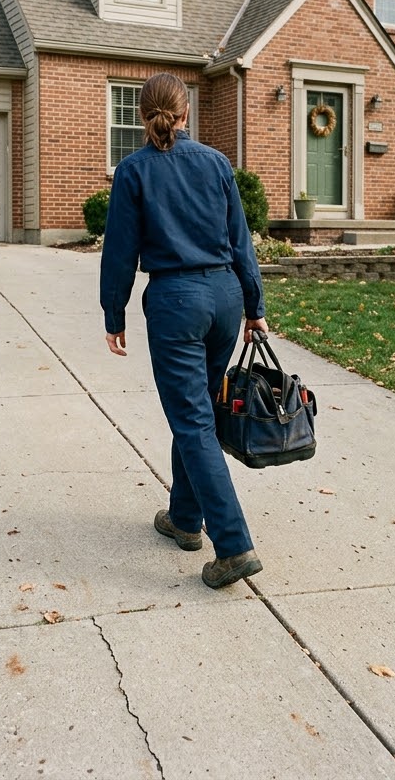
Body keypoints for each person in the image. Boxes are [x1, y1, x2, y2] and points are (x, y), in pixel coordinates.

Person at [100, 72, 268, 589]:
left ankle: (234, 546)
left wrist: (114, 313)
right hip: (223, 298)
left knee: (192, 418)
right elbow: (241, 240)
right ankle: (184, 519)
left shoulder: (133, 172)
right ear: (185, 113)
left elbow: (120, 251)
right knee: (197, 411)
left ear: (141, 115)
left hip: (176, 302)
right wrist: (254, 307)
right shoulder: (216, 163)